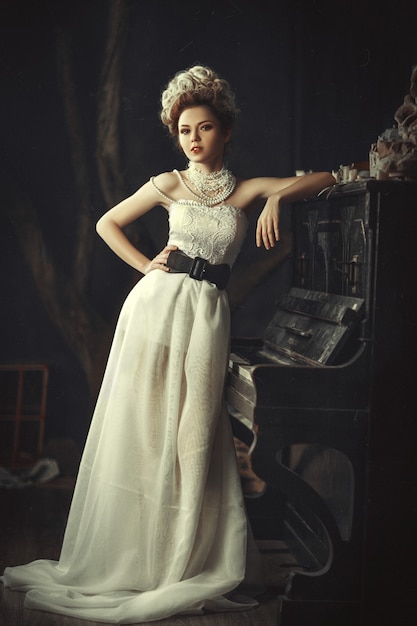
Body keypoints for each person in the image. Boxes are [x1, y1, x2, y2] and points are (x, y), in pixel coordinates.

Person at [1, 65, 335, 623]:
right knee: (146, 425)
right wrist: (144, 265)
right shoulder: (168, 184)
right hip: (157, 308)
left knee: (194, 430)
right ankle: (138, 558)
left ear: (225, 132)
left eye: (204, 128)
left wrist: (277, 198)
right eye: (184, 130)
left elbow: (324, 178)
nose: (194, 139)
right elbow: (108, 224)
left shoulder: (246, 190)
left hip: (207, 316)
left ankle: (185, 555)